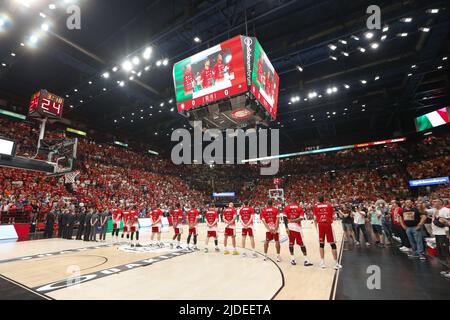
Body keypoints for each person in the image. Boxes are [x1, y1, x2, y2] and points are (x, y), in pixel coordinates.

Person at [313, 196, 342, 270]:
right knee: (333, 244)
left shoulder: (316, 207)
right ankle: (336, 263)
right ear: (324, 199)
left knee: (321, 244)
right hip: (328, 225)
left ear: (318, 200)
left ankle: (322, 262)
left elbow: (315, 219)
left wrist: (317, 229)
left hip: (320, 226)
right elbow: (334, 216)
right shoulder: (329, 206)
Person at [283, 201, 313, 266]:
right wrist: (293, 220)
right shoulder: (299, 207)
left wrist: (286, 227)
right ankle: (306, 260)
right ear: (296, 201)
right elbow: (301, 218)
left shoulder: (287, 207)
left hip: (289, 227)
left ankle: (292, 259)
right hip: (297, 228)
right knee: (302, 244)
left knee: (291, 244)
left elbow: (284, 218)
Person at [425, 199, 450, 278]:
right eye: (433, 201)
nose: (433, 202)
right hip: (437, 234)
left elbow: (447, 223)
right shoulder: (436, 210)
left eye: (435, 201)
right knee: (443, 253)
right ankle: (448, 269)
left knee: (447, 253)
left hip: (444, 234)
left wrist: (448, 234)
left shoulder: (445, 210)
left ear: (441, 203)